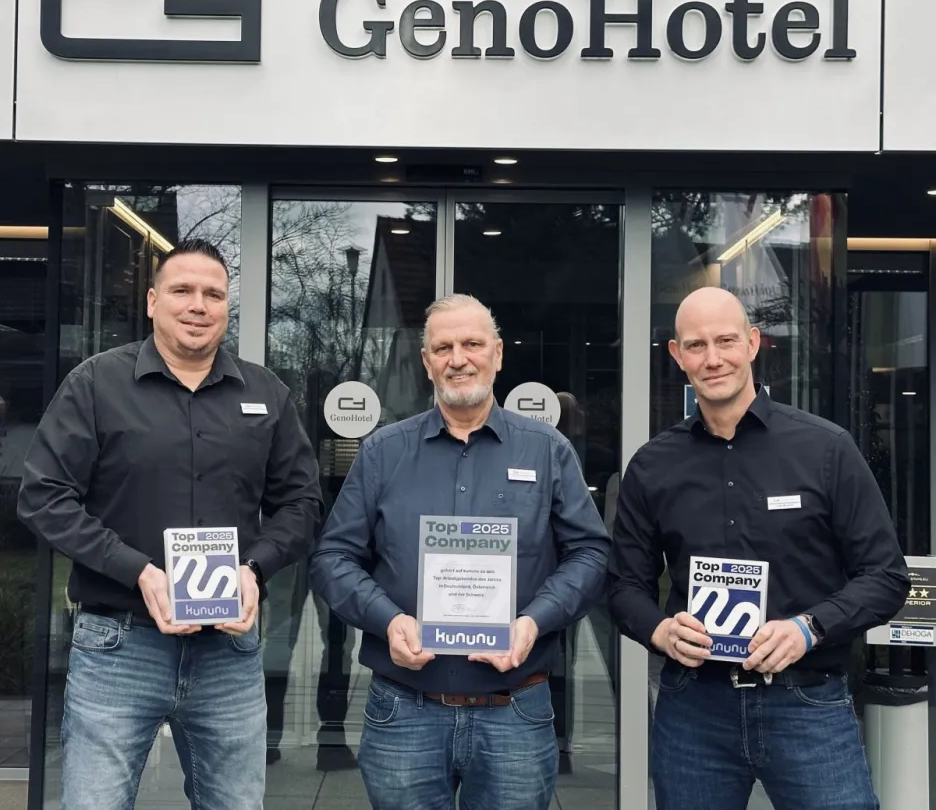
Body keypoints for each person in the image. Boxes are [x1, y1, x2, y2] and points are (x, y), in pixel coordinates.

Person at [17, 238, 322, 810]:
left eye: (213, 294)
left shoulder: (267, 394)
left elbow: (302, 504)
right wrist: (138, 571)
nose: (198, 305)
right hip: (119, 646)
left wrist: (255, 569)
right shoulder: (96, 384)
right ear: (153, 301)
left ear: (226, 307)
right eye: (182, 290)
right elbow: (44, 497)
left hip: (228, 652)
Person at [608, 285, 909, 810]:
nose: (713, 358)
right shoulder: (653, 465)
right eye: (696, 345)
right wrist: (659, 630)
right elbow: (622, 586)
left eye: (725, 340)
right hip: (694, 709)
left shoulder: (825, 449)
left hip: (807, 701)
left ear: (752, 343)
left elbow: (885, 576)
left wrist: (808, 628)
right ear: (678, 355)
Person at [309, 293, 610, 810]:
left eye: (472, 344)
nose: (458, 359)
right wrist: (388, 621)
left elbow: (590, 554)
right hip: (404, 709)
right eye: (443, 347)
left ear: (497, 354)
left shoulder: (547, 449)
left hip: (515, 710)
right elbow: (332, 558)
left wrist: (533, 622)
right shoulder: (383, 452)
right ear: (427, 361)